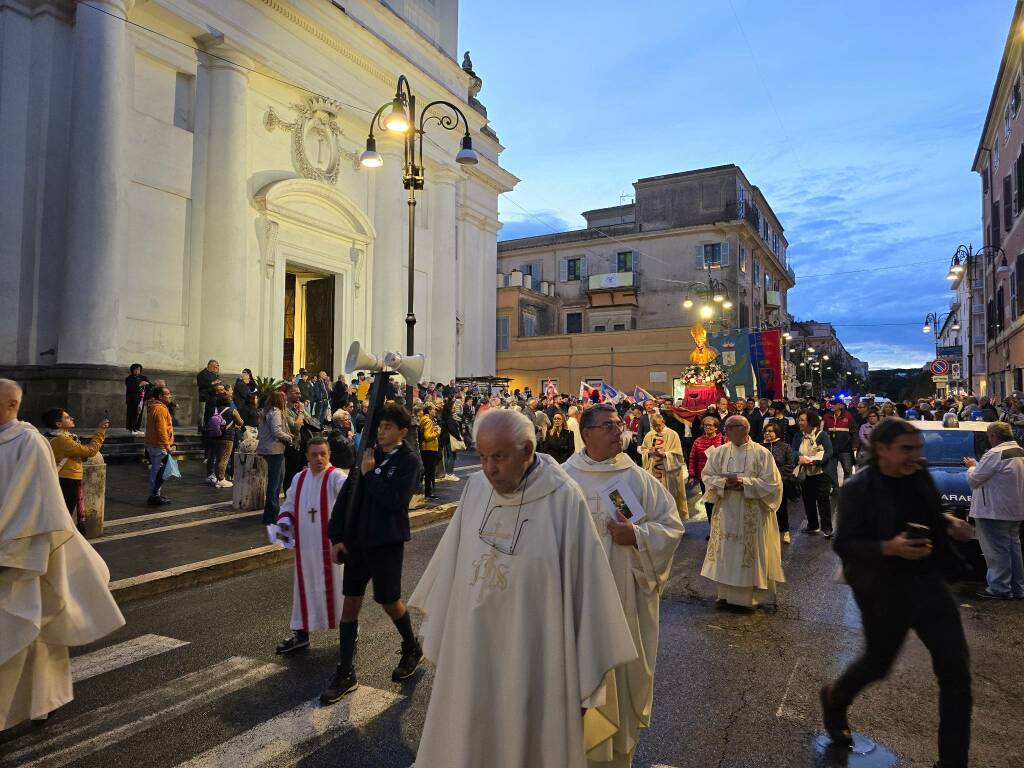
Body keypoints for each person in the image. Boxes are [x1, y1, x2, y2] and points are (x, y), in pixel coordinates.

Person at [408, 409, 637, 768]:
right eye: (482, 457)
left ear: (528, 450)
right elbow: (452, 568)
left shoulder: (563, 499)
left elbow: (587, 593)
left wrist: (582, 674)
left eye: (498, 457)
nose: (489, 469)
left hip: (534, 658)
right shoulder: (477, 489)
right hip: (472, 649)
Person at [824, 418, 974, 767]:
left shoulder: (918, 474)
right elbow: (844, 544)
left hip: (929, 583)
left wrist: (948, 523)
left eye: (918, 449)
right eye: (907, 449)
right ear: (881, 450)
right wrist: (889, 548)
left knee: (956, 675)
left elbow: (929, 513)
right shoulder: (858, 488)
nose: (915, 456)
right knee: (878, 664)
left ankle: (952, 762)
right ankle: (835, 699)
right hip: (882, 589)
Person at [563, 404, 683, 768]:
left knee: (622, 674)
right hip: (575, 602)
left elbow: (672, 526)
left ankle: (617, 755)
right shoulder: (564, 479)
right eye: (610, 426)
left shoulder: (635, 478)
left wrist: (638, 535)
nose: (620, 431)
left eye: (620, 425)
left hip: (623, 595)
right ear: (587, 434)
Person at [0, 379, 125, 729]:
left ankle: (43, 700)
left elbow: (34, 500)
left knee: (26, 627)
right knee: (27, 631)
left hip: (23, 551)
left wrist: (10, 549)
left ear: (12, 404)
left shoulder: (29, 442)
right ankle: (44, 699)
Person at [324, 404, 422, 704]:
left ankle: (411, 646)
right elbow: (347, 497)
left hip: (386, 541)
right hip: (357, 541)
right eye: (380, 426)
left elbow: (395, 501)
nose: (381, 431)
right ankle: (345, 672)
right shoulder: (368, 454)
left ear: (402, 432)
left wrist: (372, 475)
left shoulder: (409, 461)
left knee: (388, 600)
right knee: (350, 603)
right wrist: (336, 537)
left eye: (388, 427)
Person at [700, 416, 785, 609]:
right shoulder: (720, 452)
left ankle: (750, 598)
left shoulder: (762, 454)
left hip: (752, 512)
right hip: (726, 509)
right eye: (726, 428)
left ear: (744, 429)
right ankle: (725, 594)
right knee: (726, 550)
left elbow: (772, 483)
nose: (726, 432)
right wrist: (723, 483)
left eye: (730, 428)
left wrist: (744, 484)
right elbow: (707, 475)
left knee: (748, 552)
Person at [273, 438, 348, 654]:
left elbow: (349, 495)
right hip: (305, 549)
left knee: (340, 590)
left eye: (323, 454)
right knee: (303, 590)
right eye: (314, 454)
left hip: (332, 550)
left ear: (329, 454)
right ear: (307, 456)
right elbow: (288, 505)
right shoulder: (299, 478)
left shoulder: (336, 476)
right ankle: (301, 634)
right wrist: (283, 532)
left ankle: (349, 631)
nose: (319, 458)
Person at [965, 421, 1024, 599]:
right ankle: (1017, 587)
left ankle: (999, 588)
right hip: (1014, 509)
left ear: (993, 436)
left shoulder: (995, 453)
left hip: (992, 509)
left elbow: (975, 479)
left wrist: (971, 467)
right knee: (1013, 550)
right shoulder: (1020, 452)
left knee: (996, 551)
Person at [42, 408, 109, 530]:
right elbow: (90, 451)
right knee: (64, 516)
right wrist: (101, 430)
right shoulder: (62, 440)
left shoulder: (56, 437)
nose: (72, 418)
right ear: (58, 424)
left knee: (62, 514)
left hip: (63, 478)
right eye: (67, 417)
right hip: (67, 480)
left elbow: (80, 455)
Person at [794, 409, 837, 537]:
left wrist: (817, 461)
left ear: (810, 421)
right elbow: (793, 450)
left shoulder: (821, 435)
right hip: (806, 474)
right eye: (799, 420)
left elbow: (829, 452)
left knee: (823, 500)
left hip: (821, 473)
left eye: (802, 420)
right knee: (808, 501)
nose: (799, 422)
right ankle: (812, 526)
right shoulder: (798, 436)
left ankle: (827, 528)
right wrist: (800, 458)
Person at [640, 413, 689, 520]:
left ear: (663, 422)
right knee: (655, 498)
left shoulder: (672, 434)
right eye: (654, 426)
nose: (657, 428)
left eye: (658, 425)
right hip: (654, 471)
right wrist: (649, 451)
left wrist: (665, 455)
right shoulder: (649, 435)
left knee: (670, 498)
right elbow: (642, 449)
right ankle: (658, 522)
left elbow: (679, 455)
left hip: (669, 472)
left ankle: (673, 522)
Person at [257, 390, 294, 525]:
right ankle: (272, 515)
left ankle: (270, 514)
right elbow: (276, 431)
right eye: (284, 399)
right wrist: (289, 437)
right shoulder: (276, 412)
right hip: (275, 450)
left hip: (270, 449)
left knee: (276, 482)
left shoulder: (266, 412)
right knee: (275, 484)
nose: (286, 401)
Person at [762, 423, 796, 544]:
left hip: (780, 482)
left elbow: (790, 465)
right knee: (765, 509)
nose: (767, 433)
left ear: (777, 432)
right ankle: (768, 533)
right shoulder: (759, 447)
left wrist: (775, 474)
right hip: (763, 483)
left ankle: (785, 531)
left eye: (770, 431)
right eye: (766, 431)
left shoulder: (785, 447)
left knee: (781, 508)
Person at [688, 416, 724, 527]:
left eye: (710, 425)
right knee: (709, 504)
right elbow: (692, 458)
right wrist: (692, 474)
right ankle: (712, 528)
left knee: (721, 503)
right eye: (705, 425)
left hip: (720, 477)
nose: (707, 427)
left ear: (716, 427)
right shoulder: (698, 441)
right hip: (704, 477)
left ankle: (722, 528)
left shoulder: (723, 439)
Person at [144, 386, 175, 506]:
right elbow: (161, 430)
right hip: (158, 445)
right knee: (158, 472)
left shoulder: (155, 407)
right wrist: (167, 446)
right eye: (167, 394)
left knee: (157, 471)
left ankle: (155, 494)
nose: (170, 395)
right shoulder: (160, 409)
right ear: (160, 396)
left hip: (154, 444)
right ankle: (154, 496)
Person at [209, 388, 243, 488]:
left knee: (218, 458)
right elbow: (240, 422)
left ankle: (217, 478)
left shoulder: (215, 410)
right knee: (224, 459)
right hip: (227, 437)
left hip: (216, 436)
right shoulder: (232, 411)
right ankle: (221, 479)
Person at [823, 399, 856, 483]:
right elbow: (823, 432)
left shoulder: (848, 416)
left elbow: (854, 431)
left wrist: (854, 445)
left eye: (834, 404)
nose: (832, 405)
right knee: (832, 471)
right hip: (831, 449)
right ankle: (835, 489)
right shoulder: (826, 417)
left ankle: (847, 488)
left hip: (845, 449)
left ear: (841, 406)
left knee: (848, 470)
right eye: (831, 404)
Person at [283, 384, 306, 491]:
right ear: (288, 394)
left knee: (299, 474)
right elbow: (296, 427)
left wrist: (301, 411)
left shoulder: (298, 406)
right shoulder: (285, 410)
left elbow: (310, 420)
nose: (299, 395)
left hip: (302, 445)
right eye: (296, 393)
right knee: (291, 474)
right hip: (292, 446)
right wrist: (301, 412)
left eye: (300, 393)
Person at [419, 403, 441, 499]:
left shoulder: (423, 419)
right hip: (430, 448)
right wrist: (437, 432)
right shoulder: (428, 421)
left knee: (427, 471)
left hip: (426, 448)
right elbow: (428, 436)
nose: (435, 411)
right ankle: (428, 493)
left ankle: (426, 492)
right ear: (429, 410)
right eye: (433, 409)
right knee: (429, 472)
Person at [123, 363, 150, 434]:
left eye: (139, 369)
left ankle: (137, 428)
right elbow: (130, 388)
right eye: (135, 369)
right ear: (132, 370)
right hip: (132, 399)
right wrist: (139, 384)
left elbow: (150, 386)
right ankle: (132, 428)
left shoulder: (143, 378)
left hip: (141, 399)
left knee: (139, 414)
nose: (137, 371)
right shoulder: (129, 378)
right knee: (132, 413)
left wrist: (147, 384)